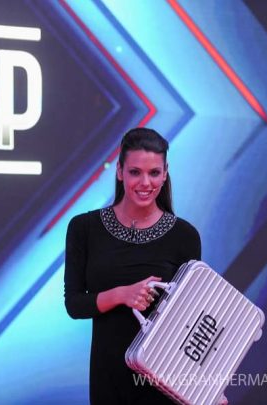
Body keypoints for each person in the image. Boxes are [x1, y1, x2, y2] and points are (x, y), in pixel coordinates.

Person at [64, 127, 201, 404]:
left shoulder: (184, 236)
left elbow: (193, 321)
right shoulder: (84, 228)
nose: (145, 182)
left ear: (165, 173)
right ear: (119, 171)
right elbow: (75, 305)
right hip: (109, 380)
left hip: (165, 383)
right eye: (135, 172)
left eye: (154, 172)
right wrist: (121, 295)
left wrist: (207, 387)